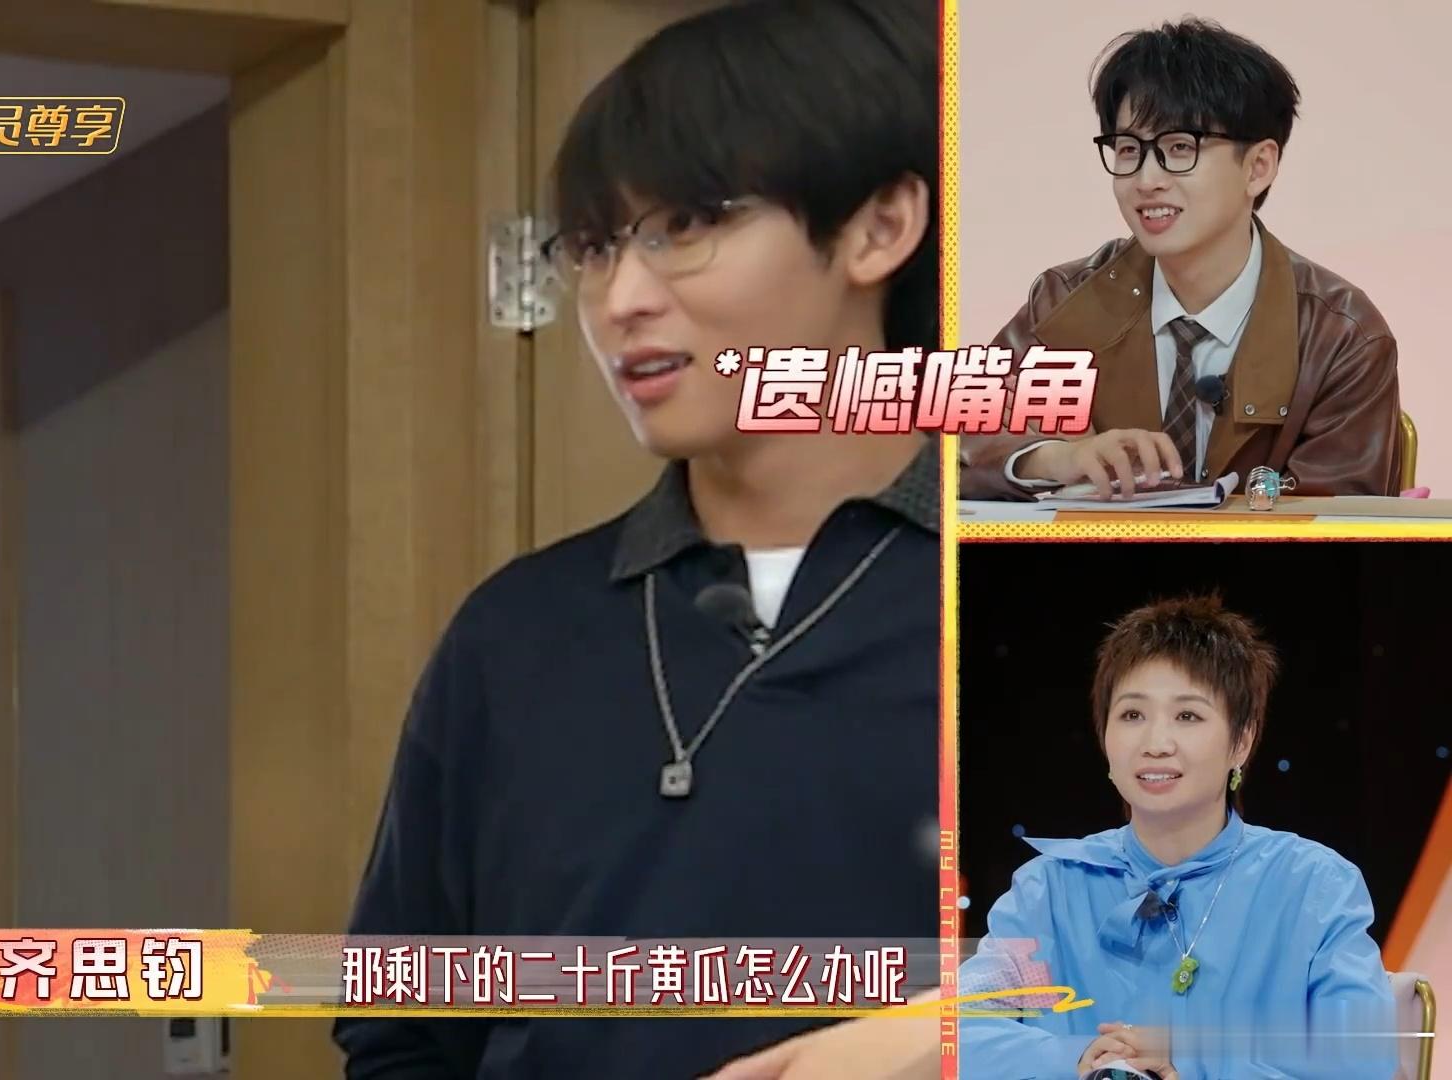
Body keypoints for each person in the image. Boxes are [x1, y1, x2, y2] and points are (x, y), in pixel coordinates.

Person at [332, 2, 942, 1077]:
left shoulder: (1049, 605)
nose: (621, 298)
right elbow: (402, 1036)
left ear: (878, 227)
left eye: (688, 224)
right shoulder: (515, 636)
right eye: (596, 245)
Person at [960, 19, 1404, 502]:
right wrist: (1054, 458)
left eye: (1179, 148)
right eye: (1129, 150)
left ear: (1258, 167)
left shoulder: (1341, 336)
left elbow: (1337, 522)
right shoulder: (1063, 302)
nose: (1146, 180)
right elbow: (962, 440)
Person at [954, 596, 1397, 1079]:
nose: (1156, 744)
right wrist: (1082, 1059)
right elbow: (963, 1032)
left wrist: (1190, 1066)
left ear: (1242, 741)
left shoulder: (1314, 886)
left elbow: (1364, 1062)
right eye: (1132, 715)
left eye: (1187, 716)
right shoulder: (1049, 890)